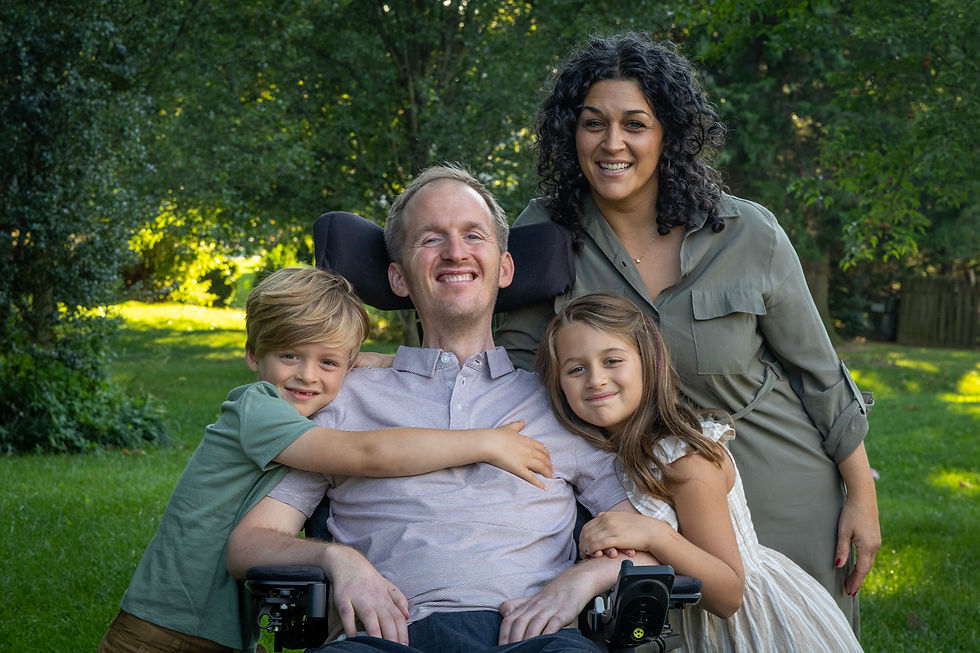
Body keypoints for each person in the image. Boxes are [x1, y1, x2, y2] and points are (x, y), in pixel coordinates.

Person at [493, 31, 880, 631]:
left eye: (635, 124)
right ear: (571, 133)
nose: (612, 143)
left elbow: (819, 373)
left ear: (668, 133)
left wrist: (861, 495)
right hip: (636, 494)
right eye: (593, 123)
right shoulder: (544, 233)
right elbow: (515, 373)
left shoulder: (747, 232)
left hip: (780, 487)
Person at [226, 164, 655, 653]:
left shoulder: (561, 400)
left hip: (535, 641)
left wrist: (586, 578)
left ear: (506, 267)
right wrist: (337, 560)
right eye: (431, 239)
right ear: (398, 277)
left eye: (473, 235)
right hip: (385, 641)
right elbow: (248, 544)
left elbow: (652, 542)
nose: (455, 252)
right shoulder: (344, 397)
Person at [99, 266, 557, 653]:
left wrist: (389, 364)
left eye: (328, 363)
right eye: (290, 355)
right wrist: (484, 443)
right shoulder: (258, 408)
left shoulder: (294, 405)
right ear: (253, 355)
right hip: (164, 625)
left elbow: (343, 366)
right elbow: (368, 454)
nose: (306, 375)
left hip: (216, 625)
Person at [536, 292, 864, 651]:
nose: (596, 379)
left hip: (748, 627)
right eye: (576, 369)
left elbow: (729, 593)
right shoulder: (600, 458)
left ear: (649, 363)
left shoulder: (686, 458)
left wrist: (654, 535)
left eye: (612, 361)